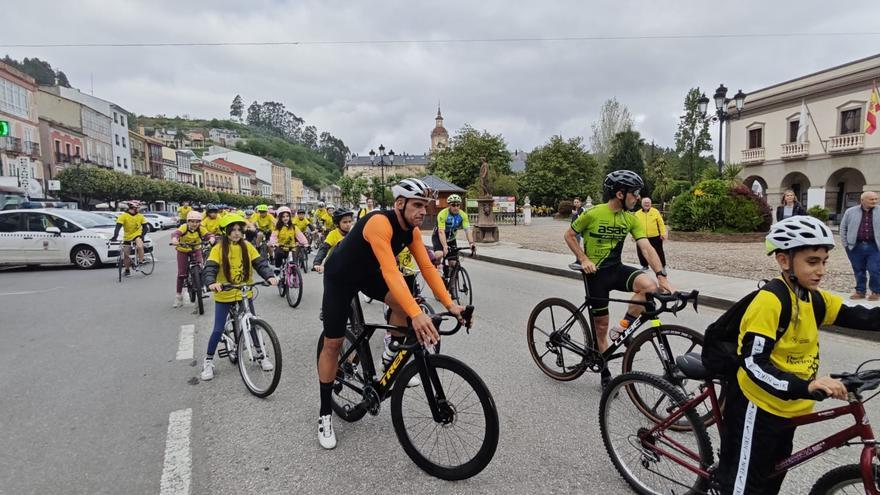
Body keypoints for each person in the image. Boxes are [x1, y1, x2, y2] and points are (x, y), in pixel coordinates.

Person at [716, 215, 880, 494]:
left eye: (824, 261)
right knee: (745, 488)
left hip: (789, 408)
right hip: (758, 408)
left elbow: (860, 317)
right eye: (812, 262)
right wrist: (805, 386)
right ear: (784, 260)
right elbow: (754, 364)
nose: (821, 270)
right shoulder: (770, 301)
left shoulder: (813, 297)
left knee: (771, 479)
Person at [315, 178, 464, 449]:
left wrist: (451, 303)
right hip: (341, 277)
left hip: (368, 276)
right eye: (417, 205)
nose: (423, 211)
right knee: (333, 343)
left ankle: (389, 355)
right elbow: (391, 271)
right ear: (400, 203)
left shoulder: (412, 232)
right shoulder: (379, 223)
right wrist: (416, 314)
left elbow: (428, 269)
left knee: (403, 304)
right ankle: (325, 412)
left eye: (425, 206)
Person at [565, 170, 674, 388]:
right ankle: (605, 372)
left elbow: (646, 247)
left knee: (649, 286)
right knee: (601, 327)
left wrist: (662, 276)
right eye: (634, 194)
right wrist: (583, 258)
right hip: (595, 274)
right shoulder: (593, 213)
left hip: (616, 269)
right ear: (620, 194)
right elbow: (568, 235)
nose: (637, 198)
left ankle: (623, 326)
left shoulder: (630, 218)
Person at [200, 214, 278, 381]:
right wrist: (211, 282)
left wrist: (269, 276)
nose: (236, 233)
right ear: (225, 232)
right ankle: (208, 361)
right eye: (232, 230)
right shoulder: (218, 249)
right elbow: (210, 268)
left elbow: (260, 263)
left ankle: (261, 355)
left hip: (244, 292)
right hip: (225, 294)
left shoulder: (248, 246)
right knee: (218, 328)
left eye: (239, 230)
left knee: (253, 323)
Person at [839, 190, 880, 300]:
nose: (875, 201)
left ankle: (876, 292)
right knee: (858, 270)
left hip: (875, 247)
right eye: (872, 199)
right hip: (855, 246)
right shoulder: (850, 212)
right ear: (862, 200)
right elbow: (843, 228)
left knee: (874, 269)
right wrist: (846, 244)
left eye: (876, 199)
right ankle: (860, 291)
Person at [171, 211, 215, 307]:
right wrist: (175, 240)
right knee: (182, 273)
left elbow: (209, 235)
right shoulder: (184, 227)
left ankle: (202, 286)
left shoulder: (200, 228)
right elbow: (176, 234)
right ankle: (178, 296)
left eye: (197, 222)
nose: (194, 224)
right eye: (192, 221)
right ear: (188, 221)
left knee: (200, 267)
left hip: (196, 249)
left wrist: (211, 240)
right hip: (183, 250)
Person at [432, 194, 476, 268]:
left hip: (451, 238)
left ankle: (451, 278)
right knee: (439, 254)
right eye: (453, 205)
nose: (456, 207)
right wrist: (445, 246)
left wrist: (471, 243)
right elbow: (441, 231)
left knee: (453, 263)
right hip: (439, 237)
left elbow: (468, 230)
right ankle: (436, 269)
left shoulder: (463, 215)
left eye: (458, 205)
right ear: (449, 205)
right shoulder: (443, 214)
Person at [111, 201, 149, 277]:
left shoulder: (140, 216)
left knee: (139, 246)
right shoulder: (123, 216)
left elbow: (145, 227)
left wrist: (142, 235)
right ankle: (127, 270)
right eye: (137, 208)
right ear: (133, 208)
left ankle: (141, 261)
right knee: (126, 255)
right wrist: (115, 236)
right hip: (127, 237)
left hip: (137, 235)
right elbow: (118, 227)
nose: (139, 209)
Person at [269, 206, 308, 273]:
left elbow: (300, 235)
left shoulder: (293, 227)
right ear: (279, 218)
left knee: (294, 263)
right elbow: (273, 237)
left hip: (292, 247)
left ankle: (294, 276)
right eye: (283, 217)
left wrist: (305, 243)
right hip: (281, 247)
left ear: (290, 217)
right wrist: (274, 244)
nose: (285, 218)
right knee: (279, 255)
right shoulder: (278, 227)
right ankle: (277, 270)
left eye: (287, 216)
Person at [634, 197, 667, 270]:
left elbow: (661, 223)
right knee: (641, 252)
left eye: (648, 203)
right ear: (642, 204)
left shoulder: (655, 212)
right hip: (641, 236)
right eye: (645, 203)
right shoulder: (637, 214)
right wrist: (634, 236)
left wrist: (663, 233)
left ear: (651, 204)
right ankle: (644, 265)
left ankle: (662, 265)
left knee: (659, 251)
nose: (647, 204)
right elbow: (635, 226)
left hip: (655, 236)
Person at [570, 197, 585, 263]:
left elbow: (583, 219)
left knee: (577, 245)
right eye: (575, 202)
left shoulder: (582, 209)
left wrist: (576, 214)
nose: (576, 203)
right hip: (574, 229)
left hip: (579, 230)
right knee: (575, 245)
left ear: (580, 203)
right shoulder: (574, 209)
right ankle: (578, 260)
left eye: (577, 202)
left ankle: (579, 260)